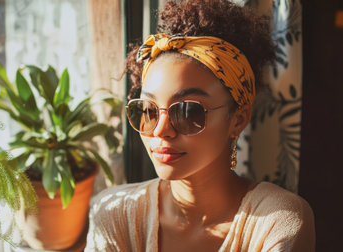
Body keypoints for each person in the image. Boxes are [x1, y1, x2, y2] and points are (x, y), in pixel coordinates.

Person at [85, 0, 315, 251]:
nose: (160, 130)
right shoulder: (113, 213)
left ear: (238, 118)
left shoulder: (278, 223)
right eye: (148, 110)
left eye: (187, 111)